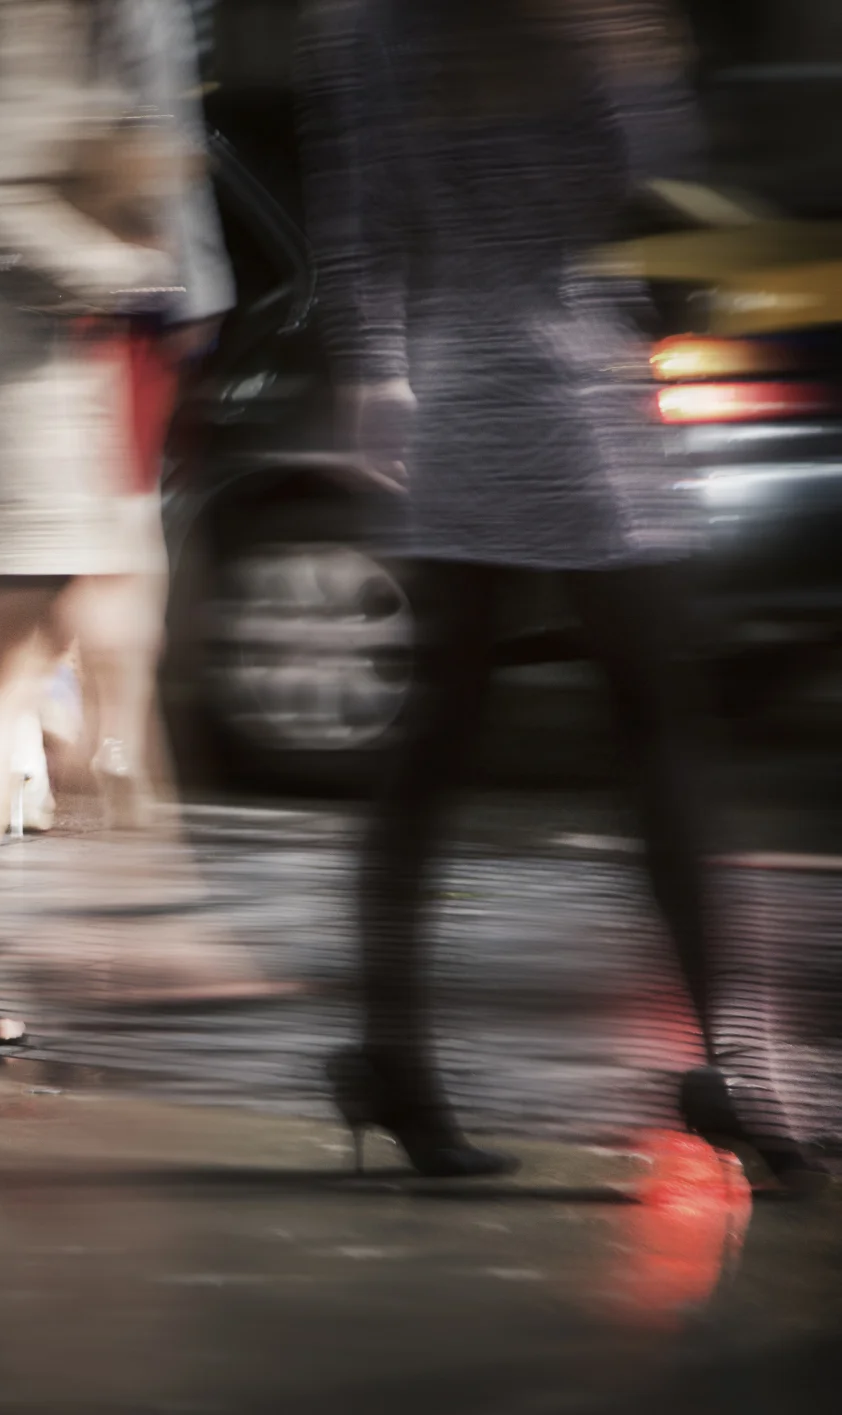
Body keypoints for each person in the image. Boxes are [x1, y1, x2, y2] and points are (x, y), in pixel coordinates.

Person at [302, 0, 815, 1185]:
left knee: (438, 732)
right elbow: (649, 176)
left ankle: (390, 1055)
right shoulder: (583, 17)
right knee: (658, 726)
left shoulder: (367, 25)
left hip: (457, 383)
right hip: (580, 385)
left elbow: (358, 220)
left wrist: (372, 372)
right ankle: (734, 1064)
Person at [0, 0, 232, 1047]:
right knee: (15, 673)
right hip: (14, 383)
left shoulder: (0, 24)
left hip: (11, 375)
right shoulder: (16, 21)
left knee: (24, 667)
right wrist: (135, 272)